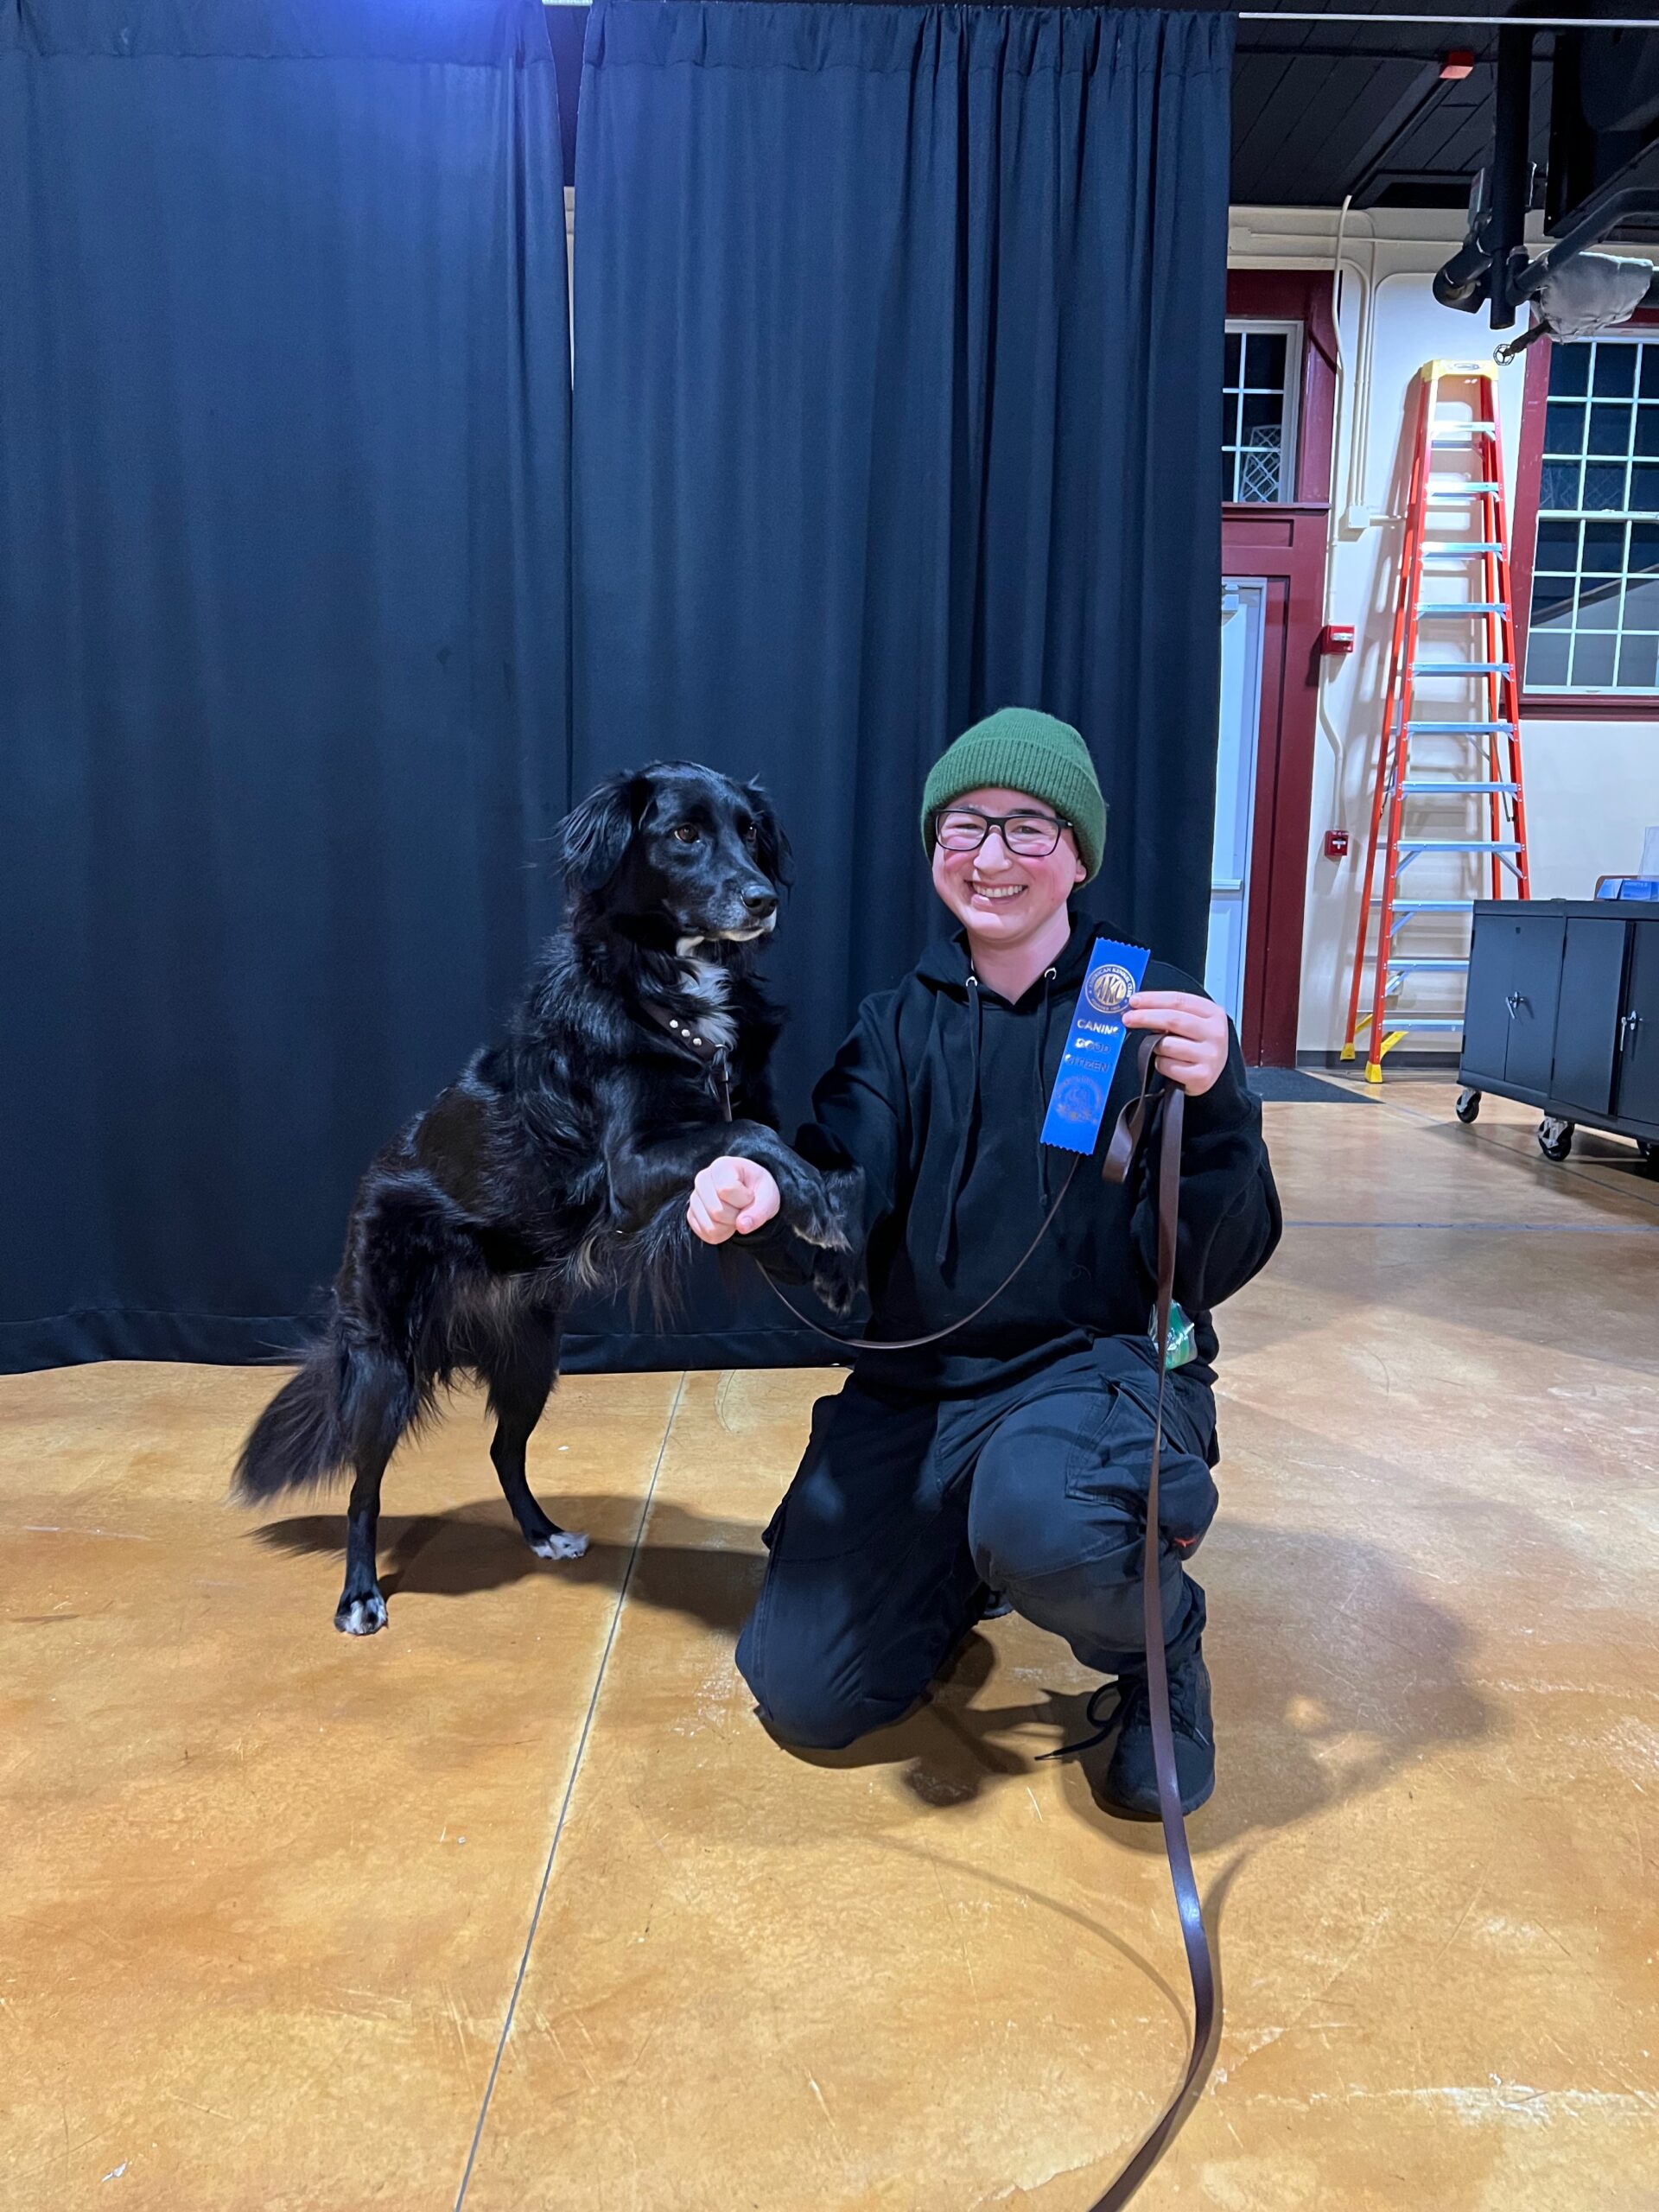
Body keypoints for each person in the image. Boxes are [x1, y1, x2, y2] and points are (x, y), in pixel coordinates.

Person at [686, 709, 1281, 1815]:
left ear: (1077, 855)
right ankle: (954, 1564)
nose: (992, 857)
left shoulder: (1141, 1006)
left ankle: (1162, 1660)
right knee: (807, 1692)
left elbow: (1214, 1256)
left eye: (1027, 828)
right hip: (923, 1394)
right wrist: (769, 1196)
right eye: (965, 827)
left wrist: (1226, 1103)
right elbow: (841, 1197)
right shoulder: (892, 1028)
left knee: (1047, 1518)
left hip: (1092, 1371)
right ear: (933, 847)